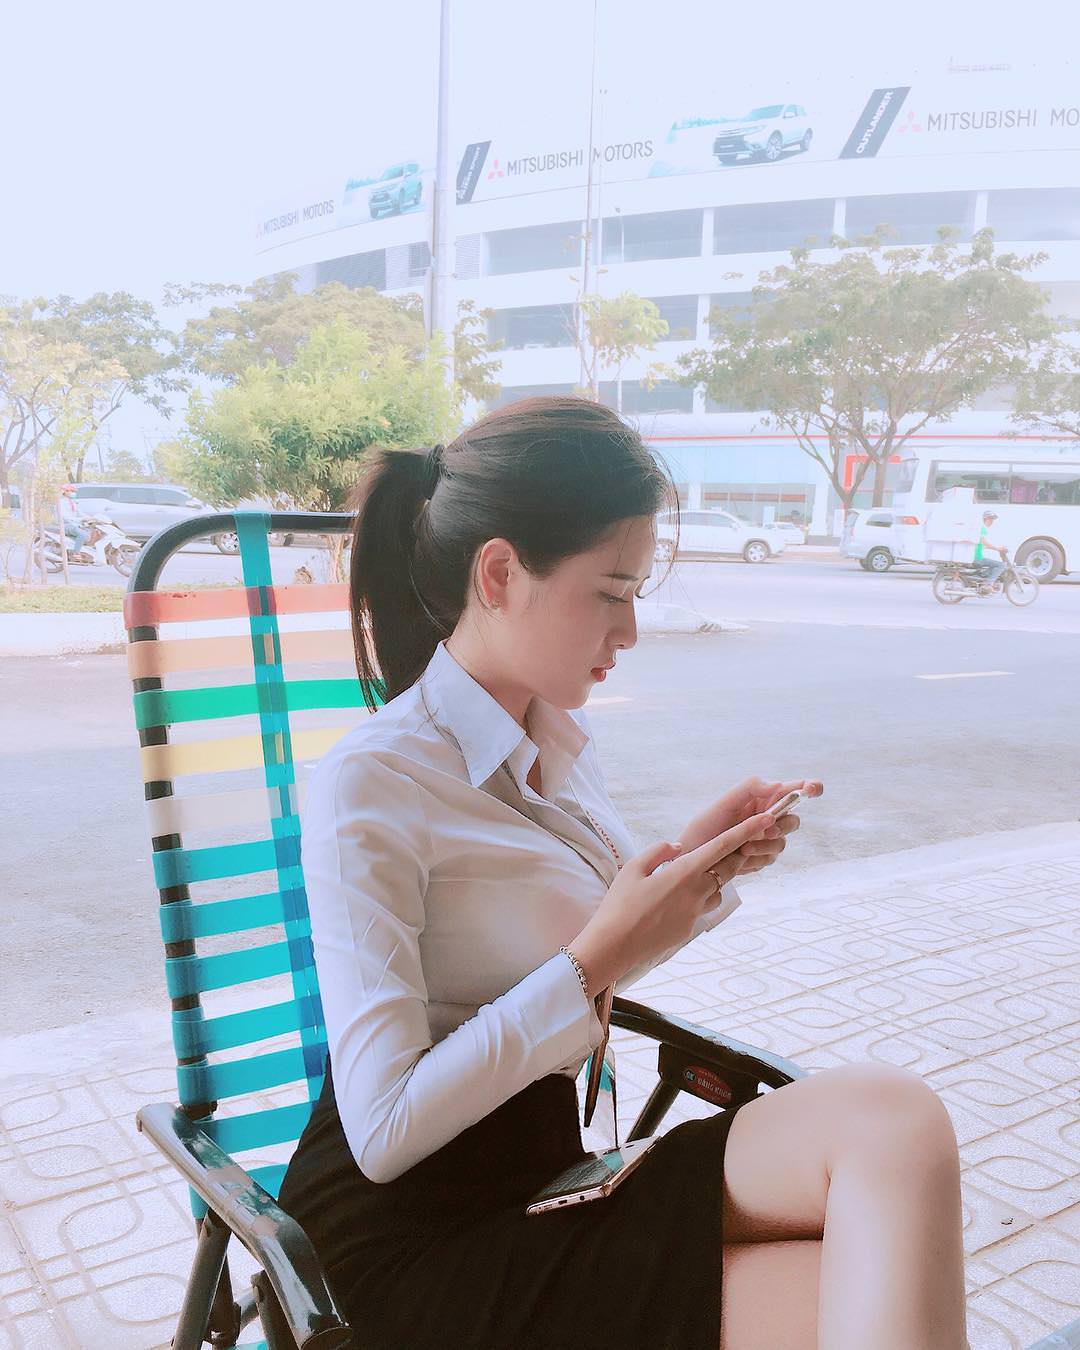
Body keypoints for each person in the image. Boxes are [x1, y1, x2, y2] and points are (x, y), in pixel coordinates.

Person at [277, 396, 967, 1350]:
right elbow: (386, 1129)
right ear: (499, 574)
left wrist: (694, 872)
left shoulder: (554, 744)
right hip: (405, 1252)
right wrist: (599, 956)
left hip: (542, 1179)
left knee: (886, 1152)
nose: (632, 629)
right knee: (862, 1212)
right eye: (611, 592)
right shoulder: (374, 782)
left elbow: (576, 960)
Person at [969, 509, 1008, 592]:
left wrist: (997, 548)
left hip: (976, 557)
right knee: (1001, 565)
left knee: (994, 565)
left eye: (993, 519)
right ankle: (988, 584)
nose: (992, 521)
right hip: (978, 558)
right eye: (991, 519)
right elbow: (983, 542)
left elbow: (982, 545)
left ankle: (983, 578)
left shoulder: (980, 528)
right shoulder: (982, 529)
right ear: (986, 519)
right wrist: (997, 548)